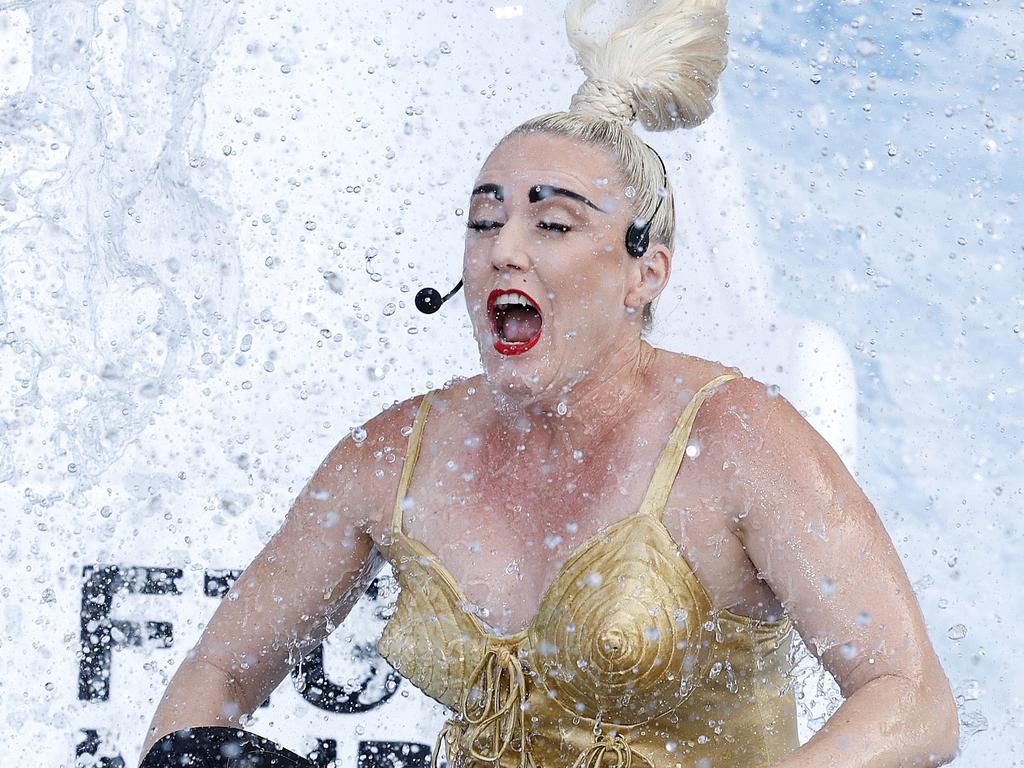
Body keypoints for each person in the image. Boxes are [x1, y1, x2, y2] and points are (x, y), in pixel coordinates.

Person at [139, 1, 961, 766]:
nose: (505, 250)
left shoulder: (736, 438)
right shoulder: (393, 456)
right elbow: (214, 673)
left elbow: (914, 701)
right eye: (485, 221)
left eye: (554, 224)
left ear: (647, 273)